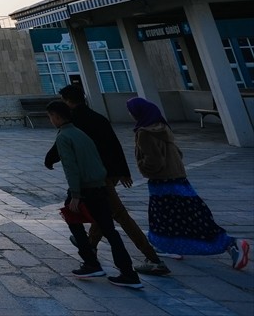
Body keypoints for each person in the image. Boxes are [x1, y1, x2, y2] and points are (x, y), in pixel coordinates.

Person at [44, 84, 169, 275]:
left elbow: (63, 146)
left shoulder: (74, 121)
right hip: (109, 172)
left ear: (68, 102)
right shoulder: (98, 117)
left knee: (117, 215)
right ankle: (90, 250)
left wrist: (50, 160)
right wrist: (124, 171)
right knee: (103, 213)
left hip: (96, 177)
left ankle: (151, 258)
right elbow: (114, 144)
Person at [127, 97, 249, 270]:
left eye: (131, 110)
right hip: (178, 179)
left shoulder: (145, 133)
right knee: (181, 217)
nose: (130, 114)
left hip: (162, 182)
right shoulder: (162, 128)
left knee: (176, 218)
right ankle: (166, 246)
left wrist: (143, 167)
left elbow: (153, 162)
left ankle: (230, 244)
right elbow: (178, 153)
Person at [46, 101, 142, 288]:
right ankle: (128, 272)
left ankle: (91, 263)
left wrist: (75, 194)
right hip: (99, 187)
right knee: (110, 231)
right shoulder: (81, 134)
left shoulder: (64, 137)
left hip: (84, 190)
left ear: (56, 117)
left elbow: (71, 167)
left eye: (50, 117)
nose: (50, 120)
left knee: (73, 221)